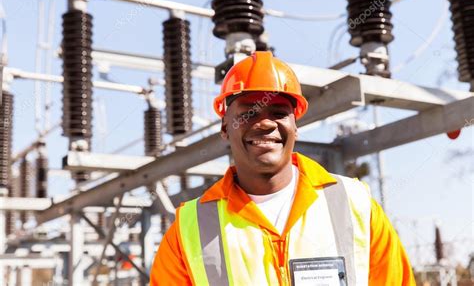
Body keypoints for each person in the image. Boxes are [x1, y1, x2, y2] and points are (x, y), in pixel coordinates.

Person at [150, 51, 415, 285]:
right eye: (249, 112)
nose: (265, 123)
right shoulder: (189, 230)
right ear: (224, 128)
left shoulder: (356, 205)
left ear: (295, 127)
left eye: (278, 113)